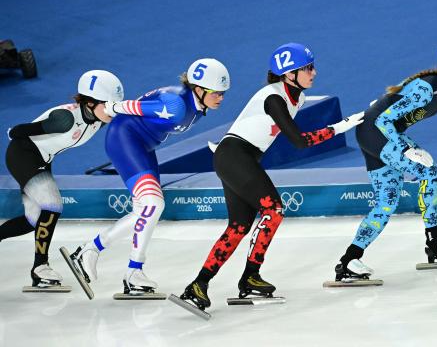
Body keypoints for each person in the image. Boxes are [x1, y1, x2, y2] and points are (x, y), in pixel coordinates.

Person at [174, 42, 364, 311]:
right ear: (289, 74)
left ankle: (199, 284)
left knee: (238, 227)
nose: (314, 72)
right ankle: (250, 276)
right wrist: (338, 128)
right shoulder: (274, 97)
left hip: (237, 157)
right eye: (307, 68)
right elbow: (298, 141)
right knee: (273, 209)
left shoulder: (293, 95)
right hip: (235, 155)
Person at [66, 58, 230, 296]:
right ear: (199, 89)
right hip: (125, 140)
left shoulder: (197, 105)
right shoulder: (177, 104)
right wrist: (112, 107)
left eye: (223, 93)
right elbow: (134, 107)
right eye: (217, 93)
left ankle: (133, 272)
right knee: (153, 204)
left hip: (144, 146)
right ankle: (90, 250)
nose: (221, 98)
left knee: (146, 209)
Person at [333, 43, 437, 282]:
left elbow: (390, 102)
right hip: (378, 132)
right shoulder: (428, 89)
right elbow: (385, 120)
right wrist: (406, 149)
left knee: (387, 201)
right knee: (428, 171)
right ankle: (435, 240)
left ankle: (349, 259)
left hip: (376, 133)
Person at [1, 70, 123, 289]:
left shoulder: (99, 116)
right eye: (108, 104)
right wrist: (12, 132)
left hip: (43, 157)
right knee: (53, 205)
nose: (112, 109)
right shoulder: (65, 119)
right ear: (90, 102)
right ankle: (40, 267)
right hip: (23, 153)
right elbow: (21, 131)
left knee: (33, 220)